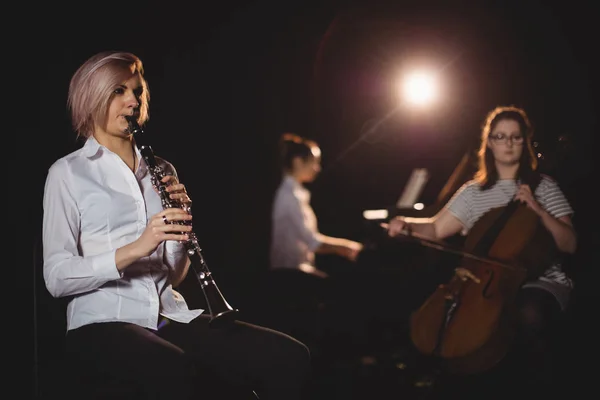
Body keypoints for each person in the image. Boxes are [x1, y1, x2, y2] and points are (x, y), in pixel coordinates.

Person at [42, 50, 311, 400]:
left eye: (137, 92)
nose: (132, 101)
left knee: (288, 357)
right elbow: (57, 277)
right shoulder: (68, 173)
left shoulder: (163, 169)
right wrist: (140, 245)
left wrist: (179, 230)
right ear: (91, 99)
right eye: (118, 91)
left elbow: (173, 273)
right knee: (179, 371)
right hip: (101, 321)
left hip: (167, 315)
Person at [386, 105, 577, 394]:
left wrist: (538, 210)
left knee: (528, 312)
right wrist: (408, 225)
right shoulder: (473, 191)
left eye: (515, 137)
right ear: (490, 142)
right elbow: (436, 229)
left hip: (540, 280)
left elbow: (570, 243)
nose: (508, 144)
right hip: (482, 282)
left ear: (524, 141)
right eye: (501, 137)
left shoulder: (545, 187)